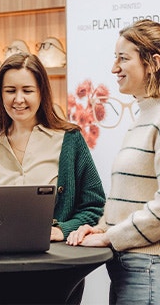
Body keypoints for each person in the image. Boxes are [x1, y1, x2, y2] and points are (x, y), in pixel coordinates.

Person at [0, 53, 106, 303]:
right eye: (10, 90)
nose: (18, 99)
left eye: (27, 90)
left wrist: (63, 229)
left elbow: (93, 204)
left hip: (56, 274)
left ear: (41, 92)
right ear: (0, 94)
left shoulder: (70, 140)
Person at [66, 19, 160, 304]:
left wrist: (109, 237)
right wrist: (103, 226)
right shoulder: (145, 116)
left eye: (123, 58)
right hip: (130, 267)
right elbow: (134, 197)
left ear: (153, 63)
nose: (114, 68)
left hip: (147, 269)